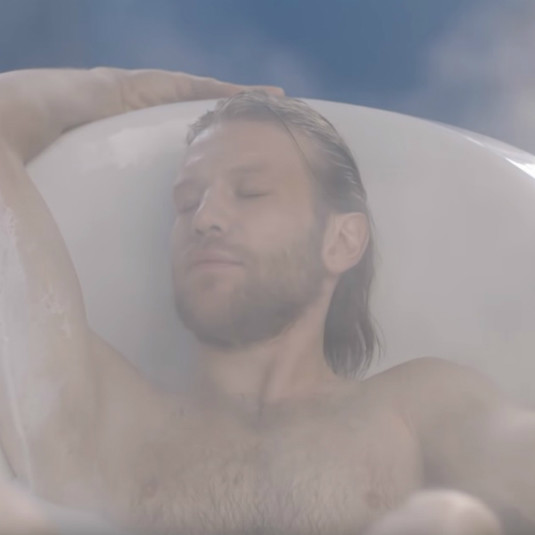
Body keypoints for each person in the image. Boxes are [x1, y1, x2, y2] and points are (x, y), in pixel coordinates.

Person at [0, 67, 532, 535]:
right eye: (186, 202)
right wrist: (121, 89)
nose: (205, 218)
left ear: (341, 240)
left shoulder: (417, 410)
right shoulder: (110, 411)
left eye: (251, 192)